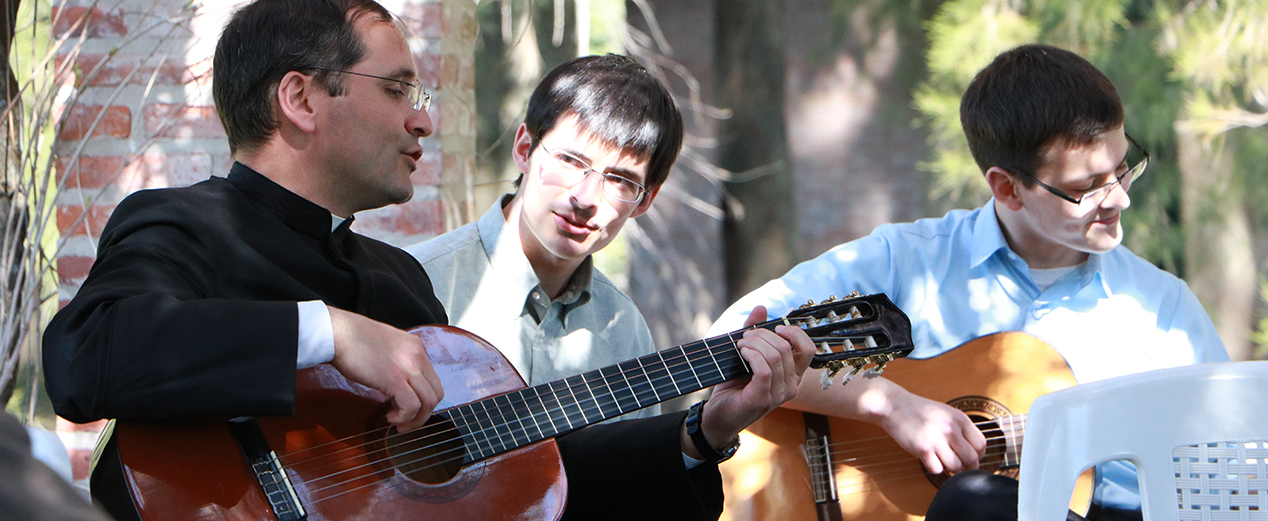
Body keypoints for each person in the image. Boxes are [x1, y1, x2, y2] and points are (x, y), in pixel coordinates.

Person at [40, 0, 813, 520]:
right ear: (302, 100)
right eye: (398, 87)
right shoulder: (180, 223)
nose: (423, 116)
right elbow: (85, 359)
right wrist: (330, 334)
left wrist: (702, 429)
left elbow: (517, 459)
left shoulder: (395, 278)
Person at [708, 44, 1229, 521]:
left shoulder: (1162, 311)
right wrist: (889, 404)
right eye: (1086, 188)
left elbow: (1232, 469)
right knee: (973, 500)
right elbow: (732, 341)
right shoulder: (904, 261)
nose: (1120, 199)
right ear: (1007, 188)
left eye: (1122, 168)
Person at [405, 54, 678, 421]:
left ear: (645, 200)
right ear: (524, 149)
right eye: (570, 161)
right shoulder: (416, 282)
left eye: (619, 180)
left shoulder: (626, 331)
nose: (584, 198)